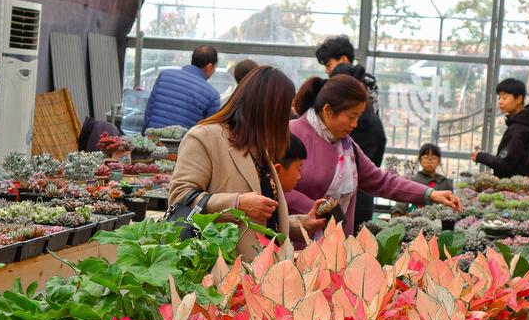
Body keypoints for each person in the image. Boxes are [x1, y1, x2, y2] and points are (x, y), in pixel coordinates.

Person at [169, 66, 326, 260]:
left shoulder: (260, 148)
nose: (287, 117)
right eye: (284, 109)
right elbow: (179, 197)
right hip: (219, 268)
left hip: (260, 272)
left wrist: (302, 223)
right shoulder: (205, 137)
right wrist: (237, 203)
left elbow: (261, 221)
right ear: (266, 108)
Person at [287, 75, 461, 240]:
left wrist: (429, 193)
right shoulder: (291, 135)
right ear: (328, 111)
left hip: (336, 245)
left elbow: (381, 180)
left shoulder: (347, 147)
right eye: (351, 117)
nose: (354, 125)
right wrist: (317, 208)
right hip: (297, 246)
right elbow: (272, 187)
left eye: (358, 117)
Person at [329, 62, 387, 232]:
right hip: (363, 199)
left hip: (336, 207)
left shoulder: (341, 129)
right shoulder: (373, 118)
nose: (353, 124)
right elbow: (378, 155)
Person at [471, 78, 529, 179]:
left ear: (519, 99)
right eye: (499, 98)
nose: (500, 102)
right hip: (526, 187)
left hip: (514, 189)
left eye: (504, 98)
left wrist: (480, 156)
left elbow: (504, 164)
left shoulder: (518, 130)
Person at [142, 45, 221, 133]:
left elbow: (149, 111)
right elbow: (209, 131)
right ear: (209, 66)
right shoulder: (212, 95)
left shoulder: (165, 75)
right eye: (215, 67)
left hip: (154, 140)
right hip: (182, 145)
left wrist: (145, 137)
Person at [391, 143, 454, 216]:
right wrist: (397, 212)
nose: (430, 160)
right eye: (426, 157)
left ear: (439, 161)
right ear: (420, 160)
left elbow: (450, 205)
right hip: (416, 218)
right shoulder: (414, 180)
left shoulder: (445, 182)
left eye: (433, 158)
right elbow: (402, 200)